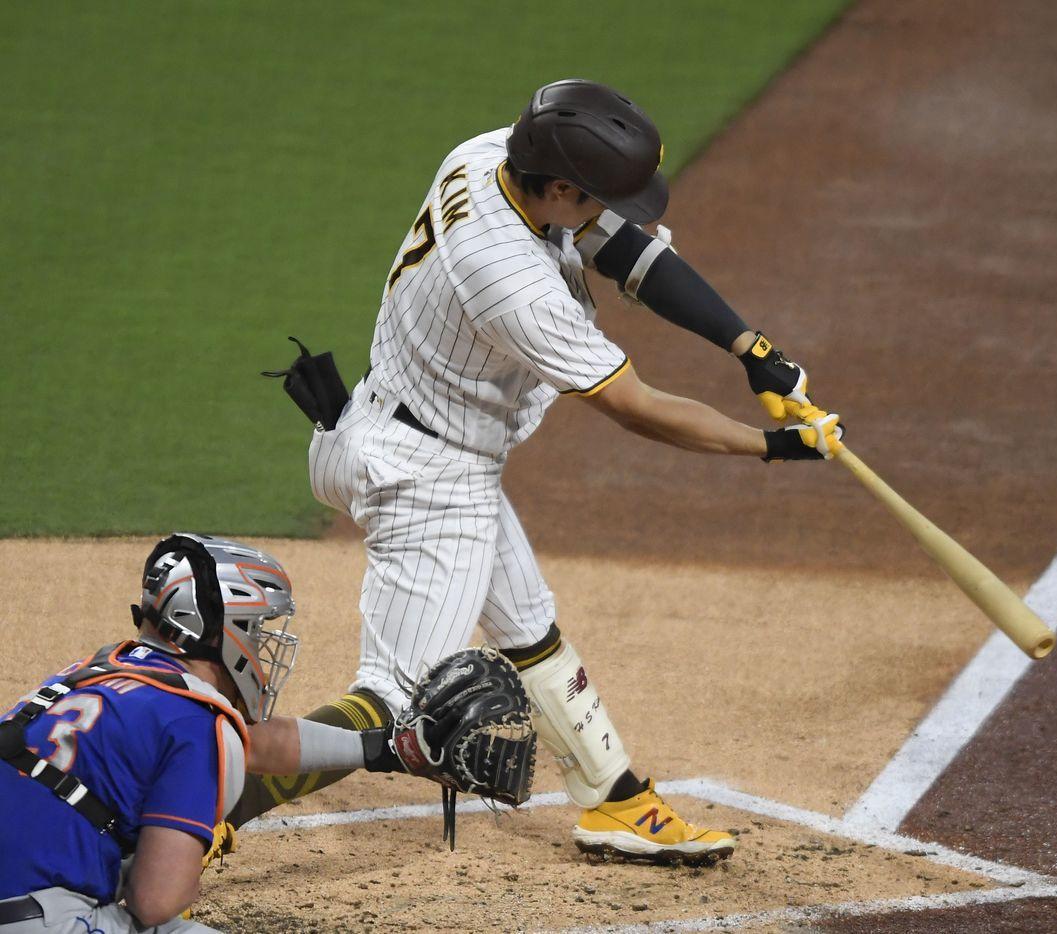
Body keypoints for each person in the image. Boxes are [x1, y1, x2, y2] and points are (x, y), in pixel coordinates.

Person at [237, 78, 844, 865]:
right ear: (560, 186)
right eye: (597, 196)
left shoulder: (490, 156)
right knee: (391, 704)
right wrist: (771, 445)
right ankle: (207, 806)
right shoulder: (513, 284)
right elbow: (637, 406)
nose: (621, 210)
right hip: (426, 478)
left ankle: (614, 801)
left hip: (406, 433)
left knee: (527, 625)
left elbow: (622, 246)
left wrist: (750, 349)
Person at [0, 534, 400, 932]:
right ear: (219, 630)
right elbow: (156, 901)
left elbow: (252, 741)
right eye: (255, 629)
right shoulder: (194, 723)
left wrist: (385, 749)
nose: (260, 645)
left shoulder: (102, 670)